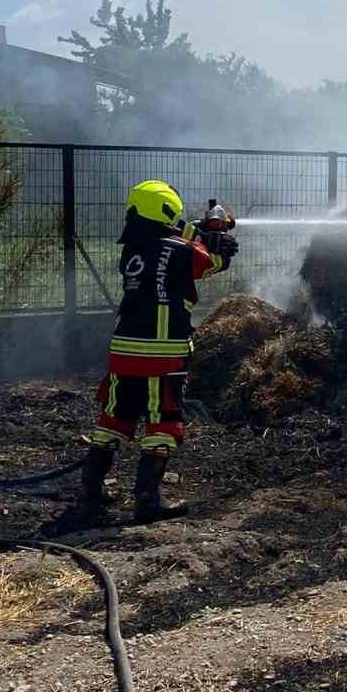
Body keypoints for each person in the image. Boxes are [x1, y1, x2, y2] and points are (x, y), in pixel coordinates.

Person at [78, 179, 236, 522]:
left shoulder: (131, 250)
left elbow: (169, 250)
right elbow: (213, 263)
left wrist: (201, 229)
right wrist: (220, 235)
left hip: (123, 349)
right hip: (161, 354)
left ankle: (91, 484)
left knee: (115, 415)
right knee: (162, 422)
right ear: (168, 209)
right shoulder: (181, 250)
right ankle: (147, 500)